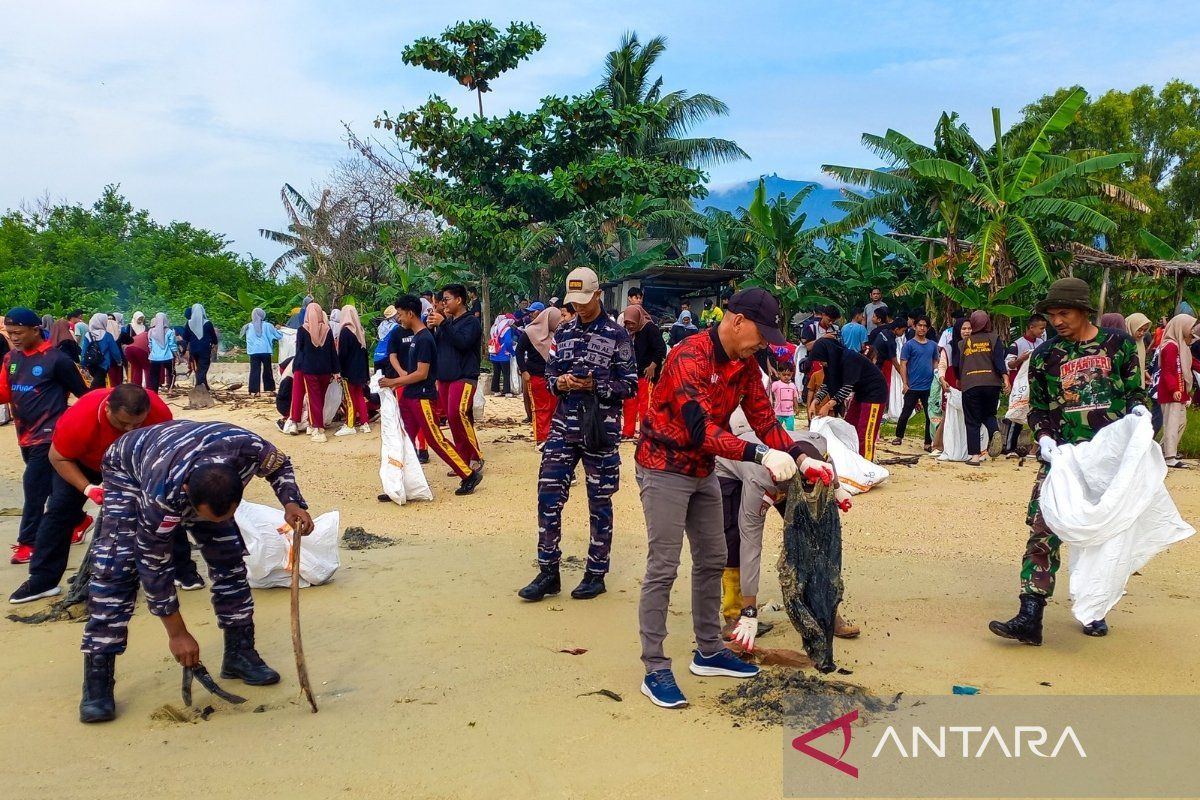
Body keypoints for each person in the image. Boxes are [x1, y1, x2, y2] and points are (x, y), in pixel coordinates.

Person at [634, 288, 833, 709]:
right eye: (759, 334)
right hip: (664, 466)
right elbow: (698, 429)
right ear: (736, 320)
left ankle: (708, 650)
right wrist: (760, 454)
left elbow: (764, 419)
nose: (762, 343)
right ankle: (655, 668)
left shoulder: (745, 366)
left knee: (712, 557)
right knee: (663, 566)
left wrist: (800, 457)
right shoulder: (689, 356)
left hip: (703, 469)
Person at [78, 420, 314, 723]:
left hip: (194, 460)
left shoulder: (250, 450)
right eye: (207, 516)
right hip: (129, 468)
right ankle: (97, 680)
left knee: (229, 557)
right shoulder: (162, 494)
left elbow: (279, 466)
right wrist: (178, 634)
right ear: (188, 493)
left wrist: (291, 502)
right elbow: (154, 565)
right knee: (117, 569)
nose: (216, 522)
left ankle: (239, 654)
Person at [989, 278, 1149, 643]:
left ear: (1084, 311)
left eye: (1064, 313)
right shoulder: (1046, 355)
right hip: (1062, 458)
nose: (1056, 321)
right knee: (1043, 530)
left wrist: (1140, 410)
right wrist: (1043, 437)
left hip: (1109, 460)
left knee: (1104, 536)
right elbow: (1038, 407)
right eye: (1051, 314)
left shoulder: (1118, 346)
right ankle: (1030, 614)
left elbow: (1135, 391)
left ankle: (1094, 609)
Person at [516, 268, 638, 603]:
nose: (580, 307)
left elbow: (630, 385)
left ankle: (596, 573)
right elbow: (551, 374)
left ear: (598, 295)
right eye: (575, 302)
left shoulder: (618, 335)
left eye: (585, 300)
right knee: (548, 497)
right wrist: (563, 383)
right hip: (563, 427)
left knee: (599, 502)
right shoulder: (564, 331)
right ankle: (548, 572)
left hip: (600, 429)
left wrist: (594, 385)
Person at [9, 385, 182, 603]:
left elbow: (166, 451)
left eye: (136, 424)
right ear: (108, 408)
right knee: (60, 510)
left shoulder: (159, 412)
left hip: (134, 462)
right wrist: (88, 488)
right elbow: (58, 457)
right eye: (122, 423)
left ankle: (183, 571)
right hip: (85, 461)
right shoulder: (81, 418)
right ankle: (42, 580)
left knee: (162, 507)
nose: (129, 430)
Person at [716, 429, 856, 645]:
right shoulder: (760, 479)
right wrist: (750, 610)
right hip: (730, 467)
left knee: (812, 540)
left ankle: (827, 613)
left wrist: (837, 489)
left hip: (788, 472)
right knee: (734, 539)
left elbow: (829, 462)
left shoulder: (817, 444)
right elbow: (751, 544)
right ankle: (737, 615)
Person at [0, 308, 91, 566]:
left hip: (51, 435)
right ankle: (78, 519)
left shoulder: (57, 360)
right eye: (10, 333)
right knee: (50, 486)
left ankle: (28, 542)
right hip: (25, 435)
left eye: (18, 332)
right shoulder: (10, 359)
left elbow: (83, 395)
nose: (14, 337)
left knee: (34, 487)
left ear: (35, 329)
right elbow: (5, 394)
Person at [381, 295, 482, 495]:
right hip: (410, 396)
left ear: (410, 313)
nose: (399, 319)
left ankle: (468, 474)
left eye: (400, 315)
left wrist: (394, 381)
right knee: (404, 440)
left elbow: (422, 373)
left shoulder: (425, 339)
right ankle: (397, 485)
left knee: (435, 438)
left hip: (422, 396)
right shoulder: (417, 337)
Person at [427, 284, 484, 471]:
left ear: (459, 300)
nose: (443, 304)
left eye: (446, 300)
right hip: (445, 378)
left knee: (457, 414)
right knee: (452, 419)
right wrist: (432, 329)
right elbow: (436, 348)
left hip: (464, 376)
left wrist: (443, 324)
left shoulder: (471, 322)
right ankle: (463, 458)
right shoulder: (447, 323)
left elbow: (463, 343)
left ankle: (475, 456)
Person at [804, 337, 889, 460]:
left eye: (821, 360)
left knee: (865, 433)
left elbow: (846, 388)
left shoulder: (849, 358)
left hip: (874, 394)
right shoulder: (832, 364)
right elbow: (826, 385)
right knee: (849, 428)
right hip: (860, 393)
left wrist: (828, 406)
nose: (821, 364)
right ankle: (853, 459)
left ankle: (866, 463)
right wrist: (815, 402)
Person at [956, 310, 1009, 466]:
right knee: (989, 414)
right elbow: (999, 361)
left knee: (972, 420)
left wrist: (960, 380)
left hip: (971, 383)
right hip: (992, 383)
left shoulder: (962, 343)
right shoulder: (994, 339)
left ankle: (974, 457)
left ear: (973, 323)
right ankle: (995, 431)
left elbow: (959, 365)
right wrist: (1005, 377)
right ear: (987, 323)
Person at [285, 301, 336, 443]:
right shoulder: (327, 330)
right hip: (325, 370)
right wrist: (336, 370)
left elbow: (299, 350)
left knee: (302, 396)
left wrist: (296, 367)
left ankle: (313, 427)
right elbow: (332, 352)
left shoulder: (302, 330)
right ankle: (311, 425)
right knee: (319, 399)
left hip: (307, 368)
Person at [1001, 314, 1048, 455]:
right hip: (1020, 385)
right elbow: (1008, 364)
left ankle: (1037, 447)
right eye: (1041, 328)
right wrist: (1020, 359)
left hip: (1036, 384)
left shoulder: (1042, 344)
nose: (1042, 331)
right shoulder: (1017, 344)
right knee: (1017, 414)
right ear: (1031, 327)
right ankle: (1010, 448)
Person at [515, 305, 562, 446]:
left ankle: (552, 436)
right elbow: (519, 351)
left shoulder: (555, 335)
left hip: (553, 378)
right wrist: (524, 371)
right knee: (540, 408)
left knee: (554, 407)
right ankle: (541, 438)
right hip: (535, 376)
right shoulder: (530, 332)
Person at [621, 304, 666, 440]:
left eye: (632, 323)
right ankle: (627, 431)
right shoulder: (628, 332)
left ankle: (645, 432)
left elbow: (660, 348)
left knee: (645, 404)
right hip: (632, 372)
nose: (630, 326)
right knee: (629, 403)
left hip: (646, 373)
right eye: (627, 323)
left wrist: (653, 366)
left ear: (638, 318)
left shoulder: (650, 328)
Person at [1157, 313, 1196, 468]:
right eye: (1190, 326)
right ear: (1181, 326)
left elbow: (1184, 368)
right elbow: (1168, 370)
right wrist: (1174, 389)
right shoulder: (1170, 346)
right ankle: (1169, 457)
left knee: (1180, 422)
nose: (1191, 330)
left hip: (1179, 392)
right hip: (1171, 392)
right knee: (1172, 424)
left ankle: (1163, 450)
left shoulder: (1179, 345)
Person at [893, 316, 939, 450]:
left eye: (925, 326)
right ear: (914, 326)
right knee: (905, 412)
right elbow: (903, 365)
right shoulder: (909, 345)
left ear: (928, 328)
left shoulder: (932, 345)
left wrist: (937, 378)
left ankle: (927, 442)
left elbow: (935, 362)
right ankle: (899, 436)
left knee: (930, 415)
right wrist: (905, 383)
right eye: (920, 325)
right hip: (912, 385)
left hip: (929, 386)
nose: (922, 328)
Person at [334, 305, 371, 437]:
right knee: (359, 396)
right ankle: (365, 423)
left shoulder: (345, 332)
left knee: (349, 398)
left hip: (348, 372)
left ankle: (350, 424)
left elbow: (342, 354)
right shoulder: (359, 331)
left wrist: (339, 370)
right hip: (360, 372)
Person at [243, 307, 282, 396]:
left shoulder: (248, 326)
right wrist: (280, 330)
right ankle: (269, 390)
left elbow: (248, 340)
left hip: (253, 352)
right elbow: (278, 336)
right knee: (267, 370)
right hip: (266, 351)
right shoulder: (268, 325)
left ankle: (254, 391)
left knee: (254, 370)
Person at [182, 303, 218, 390]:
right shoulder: (208, 323)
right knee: (203, 367)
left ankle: (205, 386)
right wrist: (214, 343)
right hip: (205, 349)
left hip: (193, 349)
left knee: (199, 367)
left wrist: (185, 349)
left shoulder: (189, 323)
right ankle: (199, 387)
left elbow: (185, 337)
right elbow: (213, 336)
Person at [83, 313, 124, 389]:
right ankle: (91, 396)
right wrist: (119, 361)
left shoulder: (87, 335)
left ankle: (101, 398)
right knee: (97, 383)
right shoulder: (107, 335)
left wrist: (83, 363)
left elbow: (84, 351)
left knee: (101, 383)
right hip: (103, 364)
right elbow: (114, 351)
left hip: (90, 363)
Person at [146, 313, 177, 394]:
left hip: (154, 357)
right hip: (167, 357)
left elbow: (150, 345)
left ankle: (154, 393)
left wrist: (152, 353)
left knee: (154, 376)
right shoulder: (169, 332)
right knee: (171, 373)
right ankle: (170, 389)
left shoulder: (151, 331)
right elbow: (172, 345)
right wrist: (177, 355)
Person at [487, 313, 515, 397]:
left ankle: (496, 391)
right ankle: (507, 391)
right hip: (503, 355)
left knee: (496, 372)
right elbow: (508, 342)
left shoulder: (494, 328)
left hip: (494, 354)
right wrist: (513, 352)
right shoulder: (507, 329)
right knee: (506, 373)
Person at [770, 364, 801, 430]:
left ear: (792, 374)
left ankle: (790, 439)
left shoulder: (793, 385)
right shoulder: (776, 384)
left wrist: (797, 408)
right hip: (778, 412)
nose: (786, 377)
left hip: (790, 413)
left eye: (788, 375)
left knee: (790, 429)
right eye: (784, 375)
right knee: (776, 429)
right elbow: (769, 393)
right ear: (779, 374)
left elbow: (794, 397)